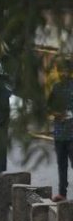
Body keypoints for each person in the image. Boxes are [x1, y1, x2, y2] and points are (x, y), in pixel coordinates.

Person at [48, 62, 73, 201]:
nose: (63, 74)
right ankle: (62, 193)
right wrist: (57, 114)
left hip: (72, 133)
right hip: (59, 133)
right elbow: (49, 107)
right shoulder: (56, 88)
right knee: (61, 165)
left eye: (66, 71)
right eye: (61, 70)